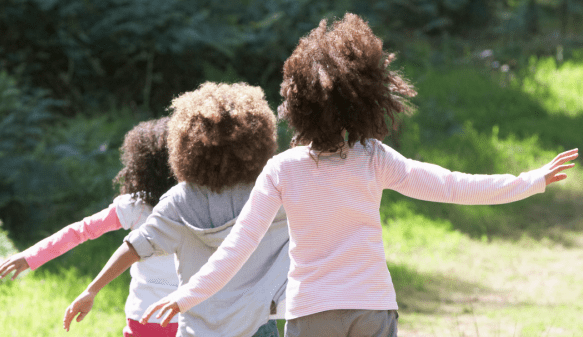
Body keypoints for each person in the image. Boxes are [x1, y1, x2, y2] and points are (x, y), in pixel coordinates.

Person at [139, 13, 579, 337]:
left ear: (296, 103)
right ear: (365, 98)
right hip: (372, 307)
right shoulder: (373, 158)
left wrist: (187, 296)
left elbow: (237, 247)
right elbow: (452, 185)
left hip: (311, 313)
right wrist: (530, 180)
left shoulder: (283, 170)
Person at [63, 82, 289, 337]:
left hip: (199, 327)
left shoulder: (181, 200)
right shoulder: (268, 192)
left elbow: (135, 246)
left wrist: (91, 290)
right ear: (258, 139)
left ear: (186, 143)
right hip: (256, 325)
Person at [0, 117, 181, 336]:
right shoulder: (201, 205)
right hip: (195, 316)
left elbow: (80, 231)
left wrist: (31, 255)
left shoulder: (136, 206)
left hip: (146, 316)